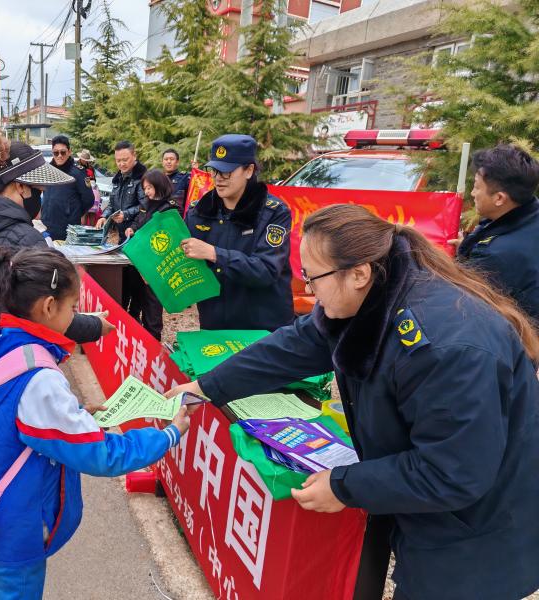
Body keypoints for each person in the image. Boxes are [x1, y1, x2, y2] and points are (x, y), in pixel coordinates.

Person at [169, 204, 539, 600]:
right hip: (437, 516)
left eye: (313, 278)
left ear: (358, 273)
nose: (308, 290)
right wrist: (206, 387)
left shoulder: (442, 349)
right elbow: (294, 345)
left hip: (479, 536)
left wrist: (344, 486)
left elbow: (452, 472)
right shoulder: (370, 291)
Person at [0, 244, 189, 600]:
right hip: (14, 536)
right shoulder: (39, 378)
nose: (76, 315)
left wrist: (78, 413)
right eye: (73, 307)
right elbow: (99, 454)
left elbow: (11, 418)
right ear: (48, 307)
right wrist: (169, 434)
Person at [0, 125, 113, 590]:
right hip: (3, 365)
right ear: (16, 188)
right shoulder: (20, 238)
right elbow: (45, 315)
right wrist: (94, 326)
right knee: (1, 468)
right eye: (33, 189)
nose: (37, 198)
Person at [182, 134, 294, 331]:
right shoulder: (199, 211)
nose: (218, 179)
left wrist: (214, 253)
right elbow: (184, 261)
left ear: (249, 170)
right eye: (214, 171)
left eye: (227, 172)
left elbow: (265, 271)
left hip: (262, 328)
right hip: (214, 325)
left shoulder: (273, 213)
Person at [457, 144, 539, 323]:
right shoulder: (530, 213)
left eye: (477, 187)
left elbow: (460, 306)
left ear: (499, 198)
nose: (472, 193)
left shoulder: (493, 255)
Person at [123, 169, 179, 340]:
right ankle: (135, 339)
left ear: (160, 185)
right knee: (134, 302)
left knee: (152, 310)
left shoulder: (169, 209)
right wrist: (131, 229)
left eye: (149, 187)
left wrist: (150, 270)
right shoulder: (145, 204)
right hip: (138, 262)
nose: (146, 191)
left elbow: (169, 240)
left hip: (156, 268)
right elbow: (138, 223)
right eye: (145, 188)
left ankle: (152, 345)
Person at [40, 135, 95, 241]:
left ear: (69, 152)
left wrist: (72, 213)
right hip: (47, 225)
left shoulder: (78, 173)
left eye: (63, 152)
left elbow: (89, 200)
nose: (59, 156)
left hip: (67, 228)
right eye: (56, 153)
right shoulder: (48, 170)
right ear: (52, 153)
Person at [95, 140, 146, 242]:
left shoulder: (144, 178)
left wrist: (126, 214)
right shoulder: (118, 179)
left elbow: (146, 206)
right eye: (118, 161)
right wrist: (104, 216)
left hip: (138, 233)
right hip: (122, 235)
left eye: (125, 160)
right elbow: (112, 204)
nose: (121, 164)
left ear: (134, 156)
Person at [161, 148, 190, 212]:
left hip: (178, 218)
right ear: (162, 162)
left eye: (172, 159)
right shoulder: (157, 179)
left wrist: (196, 173)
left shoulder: (185, 177)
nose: (168, 161)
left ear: (177, 162)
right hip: (160, 218)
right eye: (166, 159)